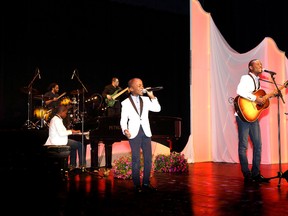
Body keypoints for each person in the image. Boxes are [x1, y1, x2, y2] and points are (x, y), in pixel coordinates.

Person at [120, 78, 161, 193]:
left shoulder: (146, 100)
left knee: (148, 159)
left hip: (146, 132)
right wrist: (125, 130)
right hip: (134, 133)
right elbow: (123, 120)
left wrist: (152, 96)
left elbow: (158, 109)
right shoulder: (125, 103)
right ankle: (137, 184)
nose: (141, 87)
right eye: (138, 85)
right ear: (131, 89)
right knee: (136, 159)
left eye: (142, 85)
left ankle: (146, 183)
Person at [235, 59, 270, 184]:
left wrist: (264, 100)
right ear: (250, 67)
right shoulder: (245, 78)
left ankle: (256, 173)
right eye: (258, 64)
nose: (261, 65)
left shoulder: (258, 82)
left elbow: (258, 100)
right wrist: (256, 98)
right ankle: (246, 174)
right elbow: (240, 91)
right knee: (243, 146)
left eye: (261, 63)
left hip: (253, 116)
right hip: (243, 116)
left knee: (258, 145)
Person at [44, 105, 85, 170]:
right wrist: (72, 131)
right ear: (62, 112)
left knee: (73, 146)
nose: (66, 115)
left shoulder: (56, 119)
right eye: (65, 113)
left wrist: (72, 131)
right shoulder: (56, 120)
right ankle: (82, 165)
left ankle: (72, 165)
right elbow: (62, 133)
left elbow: (62, 131)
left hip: (58, 139)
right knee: (80, 145)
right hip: (57, 141)